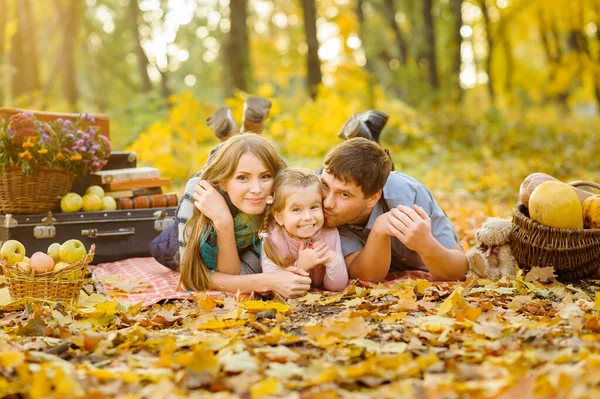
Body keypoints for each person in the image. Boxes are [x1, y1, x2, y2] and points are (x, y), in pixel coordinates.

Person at [178, 134, 311, 297]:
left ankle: (240, 132)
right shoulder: (199, 192)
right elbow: (191, 277)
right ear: (222, 182)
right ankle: (235, 133)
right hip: (176, 242)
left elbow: (237, 278)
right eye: (243, 177)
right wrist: (223, 220)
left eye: (265, 176)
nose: (256, 189)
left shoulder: (277, 207)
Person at [320, 137, 468, 282]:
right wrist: (378, 231)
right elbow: (365, 277)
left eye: (344, 194)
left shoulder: (409, 196)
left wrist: (426, 244)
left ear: (372, 198)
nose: (327, 203)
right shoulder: (319, 208)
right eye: (325, 185)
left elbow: (460, 269)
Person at [260, 168, 348, 292]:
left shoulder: (329, 233)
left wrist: (333, 261)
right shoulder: (273, 237)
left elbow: (337, 287)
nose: (308, 217)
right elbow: (276, 289)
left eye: (314, 207)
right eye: (296, 210)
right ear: (279, 216)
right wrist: (302, 266)